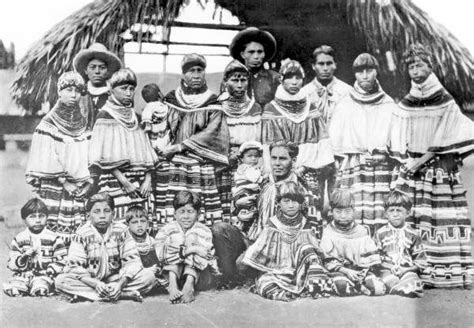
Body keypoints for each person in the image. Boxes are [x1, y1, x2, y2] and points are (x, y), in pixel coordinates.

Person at [388, 44, 474, 289]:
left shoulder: (445, 100)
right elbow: (398, 132)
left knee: (438, 217)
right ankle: (414, 271)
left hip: (436, 170)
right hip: (412, 167)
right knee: (412, 218)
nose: (415, 70)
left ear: (430, 66)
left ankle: (441, 272)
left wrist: (421, 161)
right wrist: (406, 161)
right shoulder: (408, 101)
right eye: (411, 66)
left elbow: (445, 137)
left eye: (420, 65)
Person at [154, 53, 230, 226]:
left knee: (199, 211)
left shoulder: (212, 101)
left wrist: (181, 146)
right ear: (183, 74)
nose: (196, 75)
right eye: (191, 71)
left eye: (200, 70)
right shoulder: (171, 99)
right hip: (174, 165)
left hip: (201, 164)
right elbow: (164, 129)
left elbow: (213, 133)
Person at [329, 53, 397, 234]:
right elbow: (336, 139)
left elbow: (394, 137)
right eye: (360, 71)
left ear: (377, 72)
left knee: (379, 206)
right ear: (355, 75)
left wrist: (382, 154)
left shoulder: (388, 103)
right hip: (353, 164)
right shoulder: (345, 104)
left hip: (381, 165)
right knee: (354, 205)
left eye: (370, 70)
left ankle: (379, 245)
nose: (365, 75)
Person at [25, 71, 92, 247]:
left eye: (77, 91)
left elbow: (88, 155)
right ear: (60, 92)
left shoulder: (83, 124)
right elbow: (46, 157)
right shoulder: (48, 124)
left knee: (77, 234)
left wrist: (87, 183)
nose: (73, 95)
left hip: (78, 189)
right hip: (55, 186)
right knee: (51, 233)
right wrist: (65, 182)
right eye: (68, 90)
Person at [260, 60, 334, 212]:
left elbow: (321, 141)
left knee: (312, 211)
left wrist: (304, 166)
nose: (294, 82)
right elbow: (269, 146)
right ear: (281, 79)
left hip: (308, 170)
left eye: (298, 77)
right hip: (282, 173)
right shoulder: (271, 109)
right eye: (289, 77)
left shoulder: (311, 108)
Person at [55, 193, 157, 302]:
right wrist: (96, 284)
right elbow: (74, 267)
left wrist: (119, 284)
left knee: (149, 277)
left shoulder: (122, 231)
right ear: (88, 215)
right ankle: (124, 295)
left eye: (107, 211)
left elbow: (133, 262)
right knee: (61, 281)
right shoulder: (81, 234)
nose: (102, 215)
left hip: (116, 279)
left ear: (113, 214)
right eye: (96, 211)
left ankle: (98, 294)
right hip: (91, 281)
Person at [88, 68, 157, 226]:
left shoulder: (136, 117)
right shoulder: (105, 115)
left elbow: (147, 151)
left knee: (142, 222)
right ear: (112, 90)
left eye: (132, 89)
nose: (128, 93)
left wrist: (148, 180)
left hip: (140, 181)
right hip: (116, 180)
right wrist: (125, 182)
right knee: (121, 223)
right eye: (123, 88)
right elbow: (103, 155)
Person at [246, 141, 321, 241]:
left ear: (293, 161)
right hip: (257, 238)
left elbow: (313, 225)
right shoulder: (263, 183)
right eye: (273, 158)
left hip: (289, 242)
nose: (277, 163)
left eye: (282, 159)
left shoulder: (302, 188)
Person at [155, 191, 219, 304]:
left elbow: (205, 255)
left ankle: (189, 286)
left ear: (198, 214)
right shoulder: (167, 229)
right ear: (175, 214)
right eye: (181, 212)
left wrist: (190, 248)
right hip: (170, 275)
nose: (186, 216)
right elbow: (161, 255)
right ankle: (173, 286)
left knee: (192, 237)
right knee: (176, 239)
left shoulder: (204, 230)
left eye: (190, 212)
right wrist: (191, 250)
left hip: (197, 276)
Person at [219, 59, 263, 222]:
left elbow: (260, 139)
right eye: (234, 80)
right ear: (225, 82)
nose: (239, 85)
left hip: (250, 166)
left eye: (243, 80)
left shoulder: (256, 107)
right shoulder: (218, 107)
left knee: (249, 208)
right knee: (226, 207)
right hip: (225, 165)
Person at [320, 189, 386, 296]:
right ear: (331, 212)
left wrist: (362, 272)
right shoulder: (328, 232)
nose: (343, 216)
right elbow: (327, 259)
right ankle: (356, 287)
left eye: (347, 211)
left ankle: (359, 285)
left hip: (359, 270)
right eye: (338, 212)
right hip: (339, 270)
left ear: (354, 211)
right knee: (342, 286)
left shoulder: (361, 231)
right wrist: (346, 271)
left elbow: (369, 257)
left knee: (376, 288)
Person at [3, 198, 67, 297]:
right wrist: (22, 258)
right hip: (23, 274)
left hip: (45, 274)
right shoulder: (19, 239)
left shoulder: (54, 238)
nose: (37, 220)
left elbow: (62, 259)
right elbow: (12, 262)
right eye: (32, 217)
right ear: (24, 220)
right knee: (16, 286)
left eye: (41, 216)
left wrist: (51, 270)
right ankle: (21, 288)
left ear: (47, 217)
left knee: (41, 286)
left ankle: (39, 289)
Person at [374, 191, 426, 297]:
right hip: (387, 270)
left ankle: (403, 287)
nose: (395, 214)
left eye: (399, 210)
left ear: (408, 212)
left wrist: (406, 269)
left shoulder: (413, 234)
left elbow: (421, 261)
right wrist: (388, 267)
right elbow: (375, 258)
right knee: (389, 280)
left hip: (406, 270)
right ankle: (400, 288)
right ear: (386, 214)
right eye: (391, 210)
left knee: (413, 279)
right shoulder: (380, 233)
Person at [73, 43, 122, 129]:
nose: (97, 71)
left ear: (108, 71)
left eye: (102, 67)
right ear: (85, 71)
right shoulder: (79, 94)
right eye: (92, 67)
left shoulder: (114, 95)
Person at [229, 27, 279, 107]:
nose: (256, 56)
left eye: (260, 52)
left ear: (264, 54)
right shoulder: (231, 78)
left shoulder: (275, 78)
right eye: (251, 52)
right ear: (242, 54)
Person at [301, 45, 352, 125]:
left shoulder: (347, 91)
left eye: (329, 63)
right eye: (321, 64)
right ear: (313, 66)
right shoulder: (304, 93)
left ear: (335, 65)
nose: (325, 68)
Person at [124, 206, 168, 288]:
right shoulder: (127, 241)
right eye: (135, 222)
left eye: (143, 221)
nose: (139, 225)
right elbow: (129, 266)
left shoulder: (150, 240)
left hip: (150, 271)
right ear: (128, 224)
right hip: (133, 273)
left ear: (147, 223)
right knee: (147, 277)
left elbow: (155, 259)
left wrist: (157, 267)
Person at [232, 141, 265, 232]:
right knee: (247, 207)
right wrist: (263, 178)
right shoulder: (245, 167)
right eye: (249, 156)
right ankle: (242, 225)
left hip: (249, 190)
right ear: (242, 158)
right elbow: (255, 178)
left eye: (256, 156)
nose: (253, 159)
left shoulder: (253, 168)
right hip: (244, 191)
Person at [141, 84, 170, 158]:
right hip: (159, 130)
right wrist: (147, 126)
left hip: (159, 130)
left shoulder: (160, 105)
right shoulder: (153, 105)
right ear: (159, 94)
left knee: (159, 144)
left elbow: (146, 115)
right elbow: (146, 115)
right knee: (157, 144)